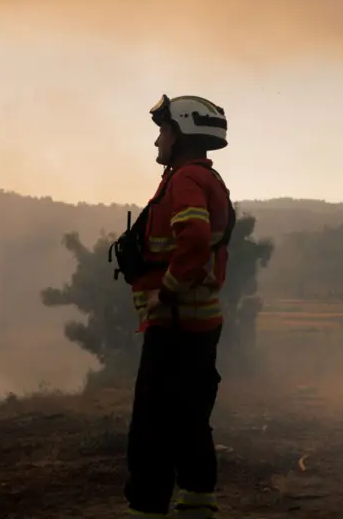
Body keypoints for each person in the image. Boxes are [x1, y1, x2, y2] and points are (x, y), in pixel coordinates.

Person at [122, 95, 236, 518]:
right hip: (199, 325)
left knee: (150, 428)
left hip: (174, 324)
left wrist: (163, 292)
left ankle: (148, 507)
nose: (157, 141)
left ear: (180, 133)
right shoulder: (207, 179)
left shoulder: (186, 180)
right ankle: (196, 503)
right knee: (191, 422)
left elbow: (193, 240)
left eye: (162, 131)